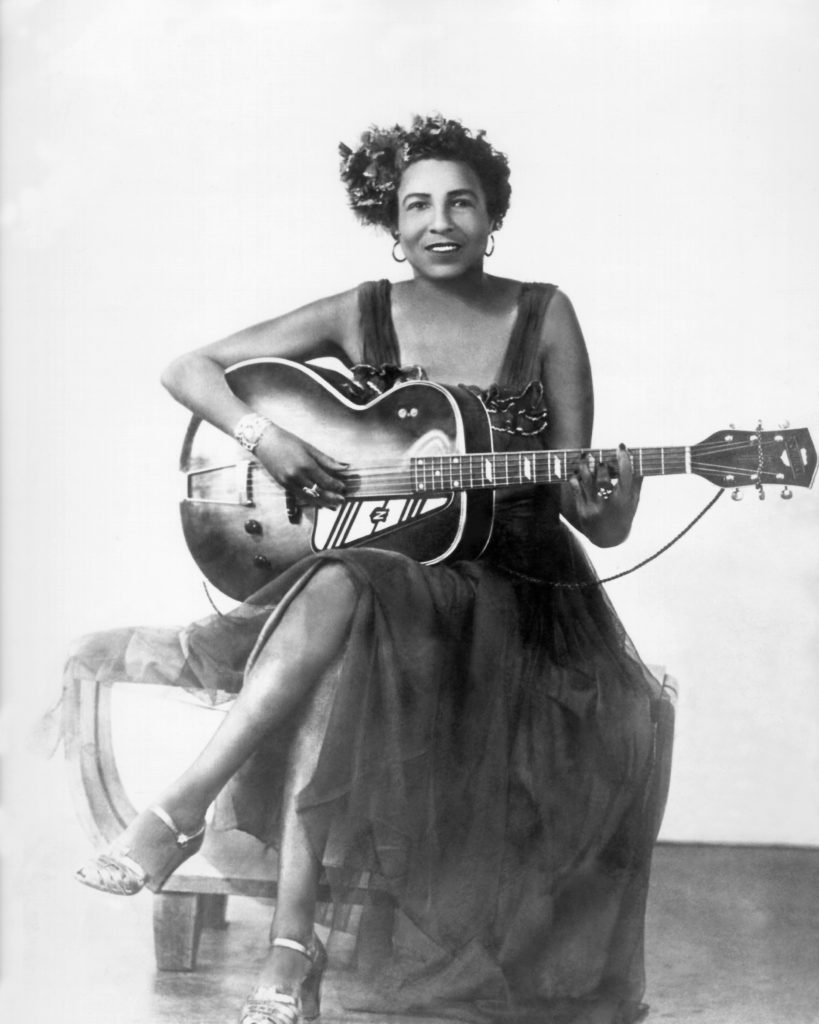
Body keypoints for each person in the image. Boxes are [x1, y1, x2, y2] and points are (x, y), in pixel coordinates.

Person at [71, 115, 664, 1024]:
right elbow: (189, 368)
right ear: (389, 221)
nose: (440, 221)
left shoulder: (544, 312)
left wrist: (608, 488)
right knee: (355, 588)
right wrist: (266, 436)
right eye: (416, 204)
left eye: (461, 201)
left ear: (492, 216)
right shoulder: (362, 311)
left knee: (350, 593)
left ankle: (196, 844)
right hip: (394, 571)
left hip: (519, 588)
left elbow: (594, 514)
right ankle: (282, 945)